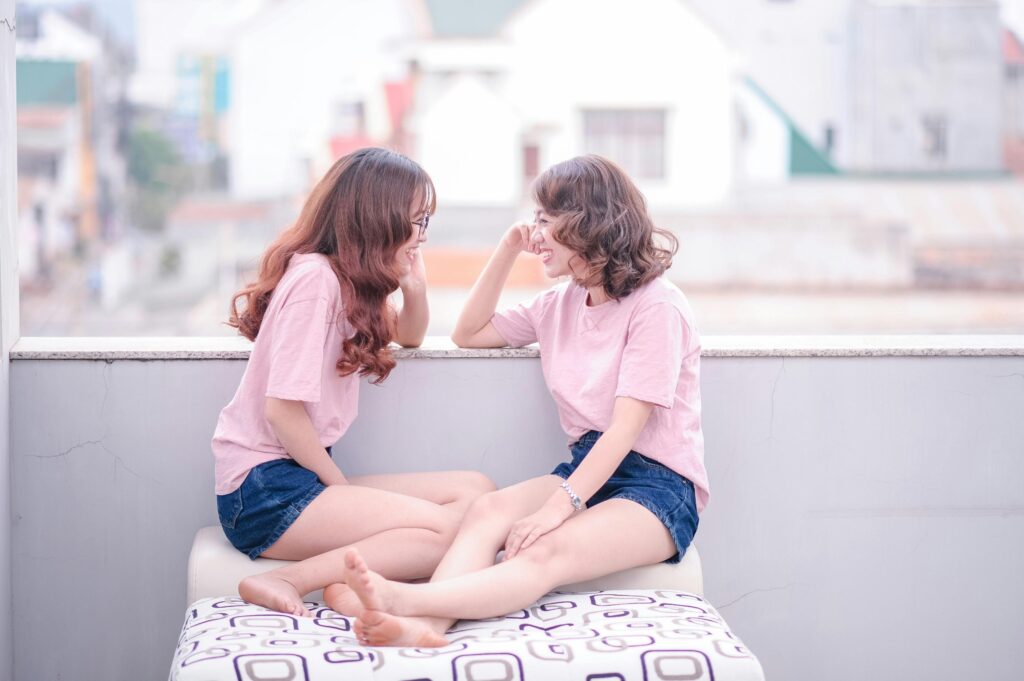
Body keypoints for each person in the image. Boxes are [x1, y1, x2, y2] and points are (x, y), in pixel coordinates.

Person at [328, 154, 709, 647]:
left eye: (545, 220)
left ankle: (407, 600)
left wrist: (556, 508)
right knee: (487, 512)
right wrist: (507, 249)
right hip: (586, 467)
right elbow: (469, 332)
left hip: (658, 487)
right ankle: (421, 629)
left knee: (541, 552)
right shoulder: (561, 304)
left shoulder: (658, 306)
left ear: (589, 223)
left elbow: (625, 429)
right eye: (534, 220)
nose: (535, 232)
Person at [212, 147, 495, 617]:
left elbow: (411, 335)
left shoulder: (348, 281)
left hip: (297, 476)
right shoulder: (315, 282)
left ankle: (347, 590)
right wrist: (339, 487)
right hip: (263, 492)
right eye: (416, 220)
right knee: (443, 531)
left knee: (476, 490)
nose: (421, 234)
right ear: (378, 216)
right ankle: (284, 580)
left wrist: (414, 287)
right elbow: (281, 410)